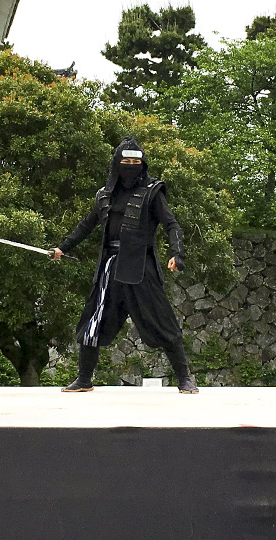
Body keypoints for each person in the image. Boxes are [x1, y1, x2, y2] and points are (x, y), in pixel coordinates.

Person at [51, 136, 198, 394]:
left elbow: (171, 224)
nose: (130, 166)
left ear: (142, 164)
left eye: (135, 162)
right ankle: (84, 379)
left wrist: (178, 254)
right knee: (92, 321)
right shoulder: (105, 195)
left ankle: (184, 379)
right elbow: (86, 225)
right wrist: (62, 248)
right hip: (109, 269)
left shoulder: (152, 191)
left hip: (141, 269)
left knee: (164, 322)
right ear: (116, 163)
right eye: (125, 161)